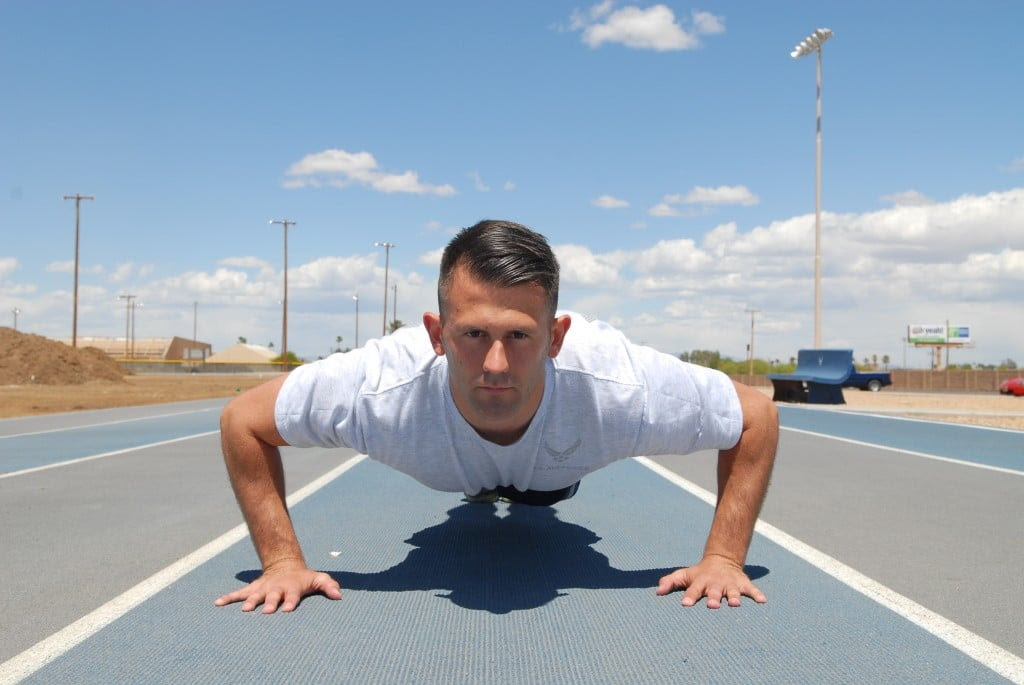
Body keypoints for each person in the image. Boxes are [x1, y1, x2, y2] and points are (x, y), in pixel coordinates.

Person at [215, 219, 778, 614]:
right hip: (448, 468)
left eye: (520, 336)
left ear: (557, 337)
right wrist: (281, 563)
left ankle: (530, 487)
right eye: (473, 334)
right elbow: (243, 420)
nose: (496, 365)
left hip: (554, 469)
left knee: (542, 493)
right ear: (435, 334)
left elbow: (756, 417)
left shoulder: (618, 387)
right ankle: (484, 484)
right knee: (482, 483)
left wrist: (723, 559)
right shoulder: (380, 388)